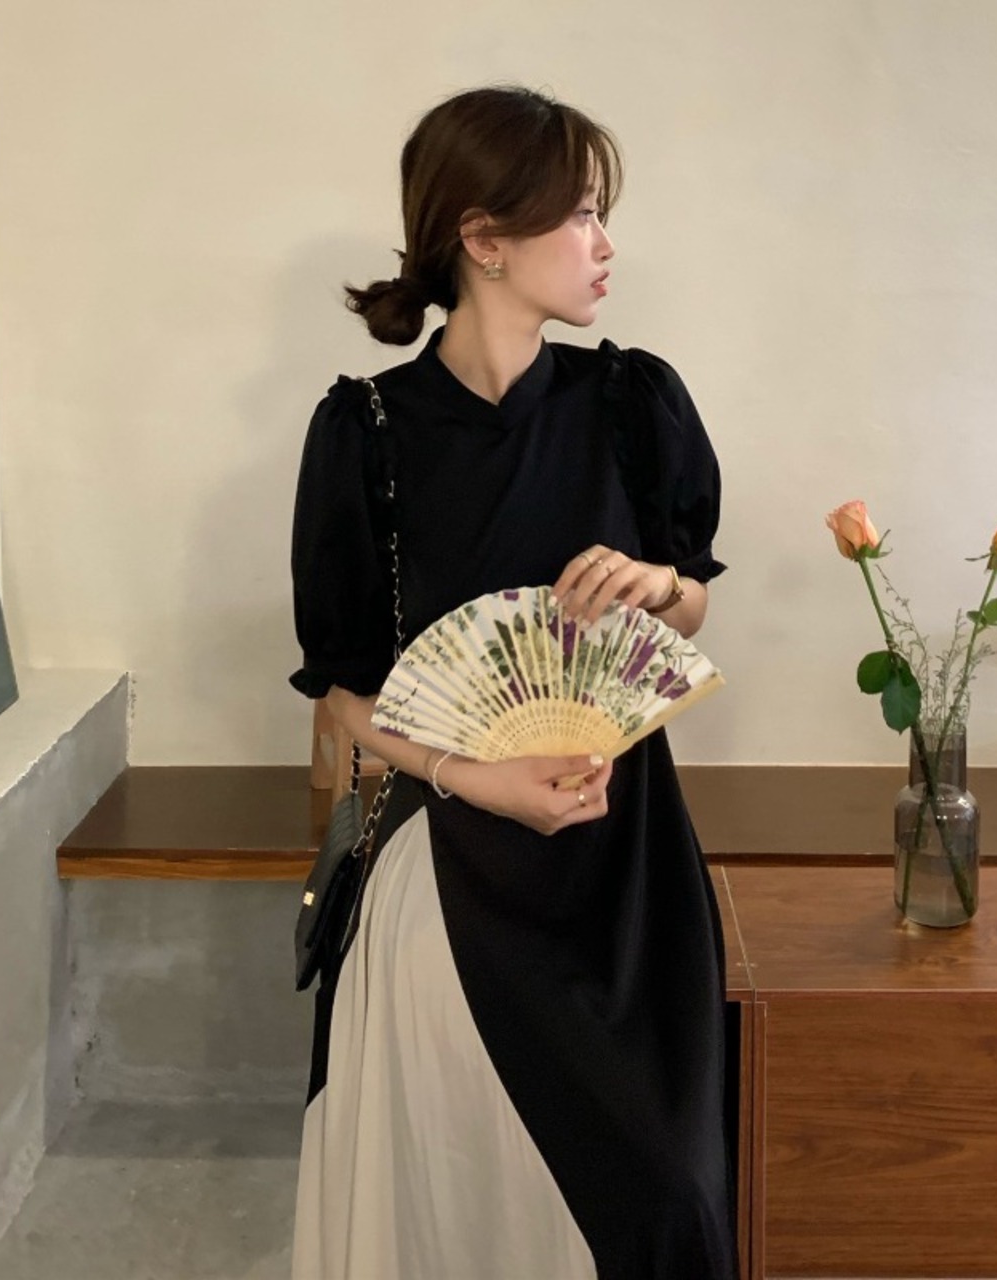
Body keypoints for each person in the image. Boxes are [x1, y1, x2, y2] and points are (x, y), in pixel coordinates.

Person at [288, 84, 736, 1280]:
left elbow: (691, 607)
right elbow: (344, 694)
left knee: (670, 1200)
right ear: (483, 238)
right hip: (451, 857)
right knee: (461, 1197)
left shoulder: (631, 403)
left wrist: (656, 584)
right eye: (580, 214)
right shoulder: (365, 434)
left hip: (627, 857)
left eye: (601, 214)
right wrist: (474, 777)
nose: (604, 243)